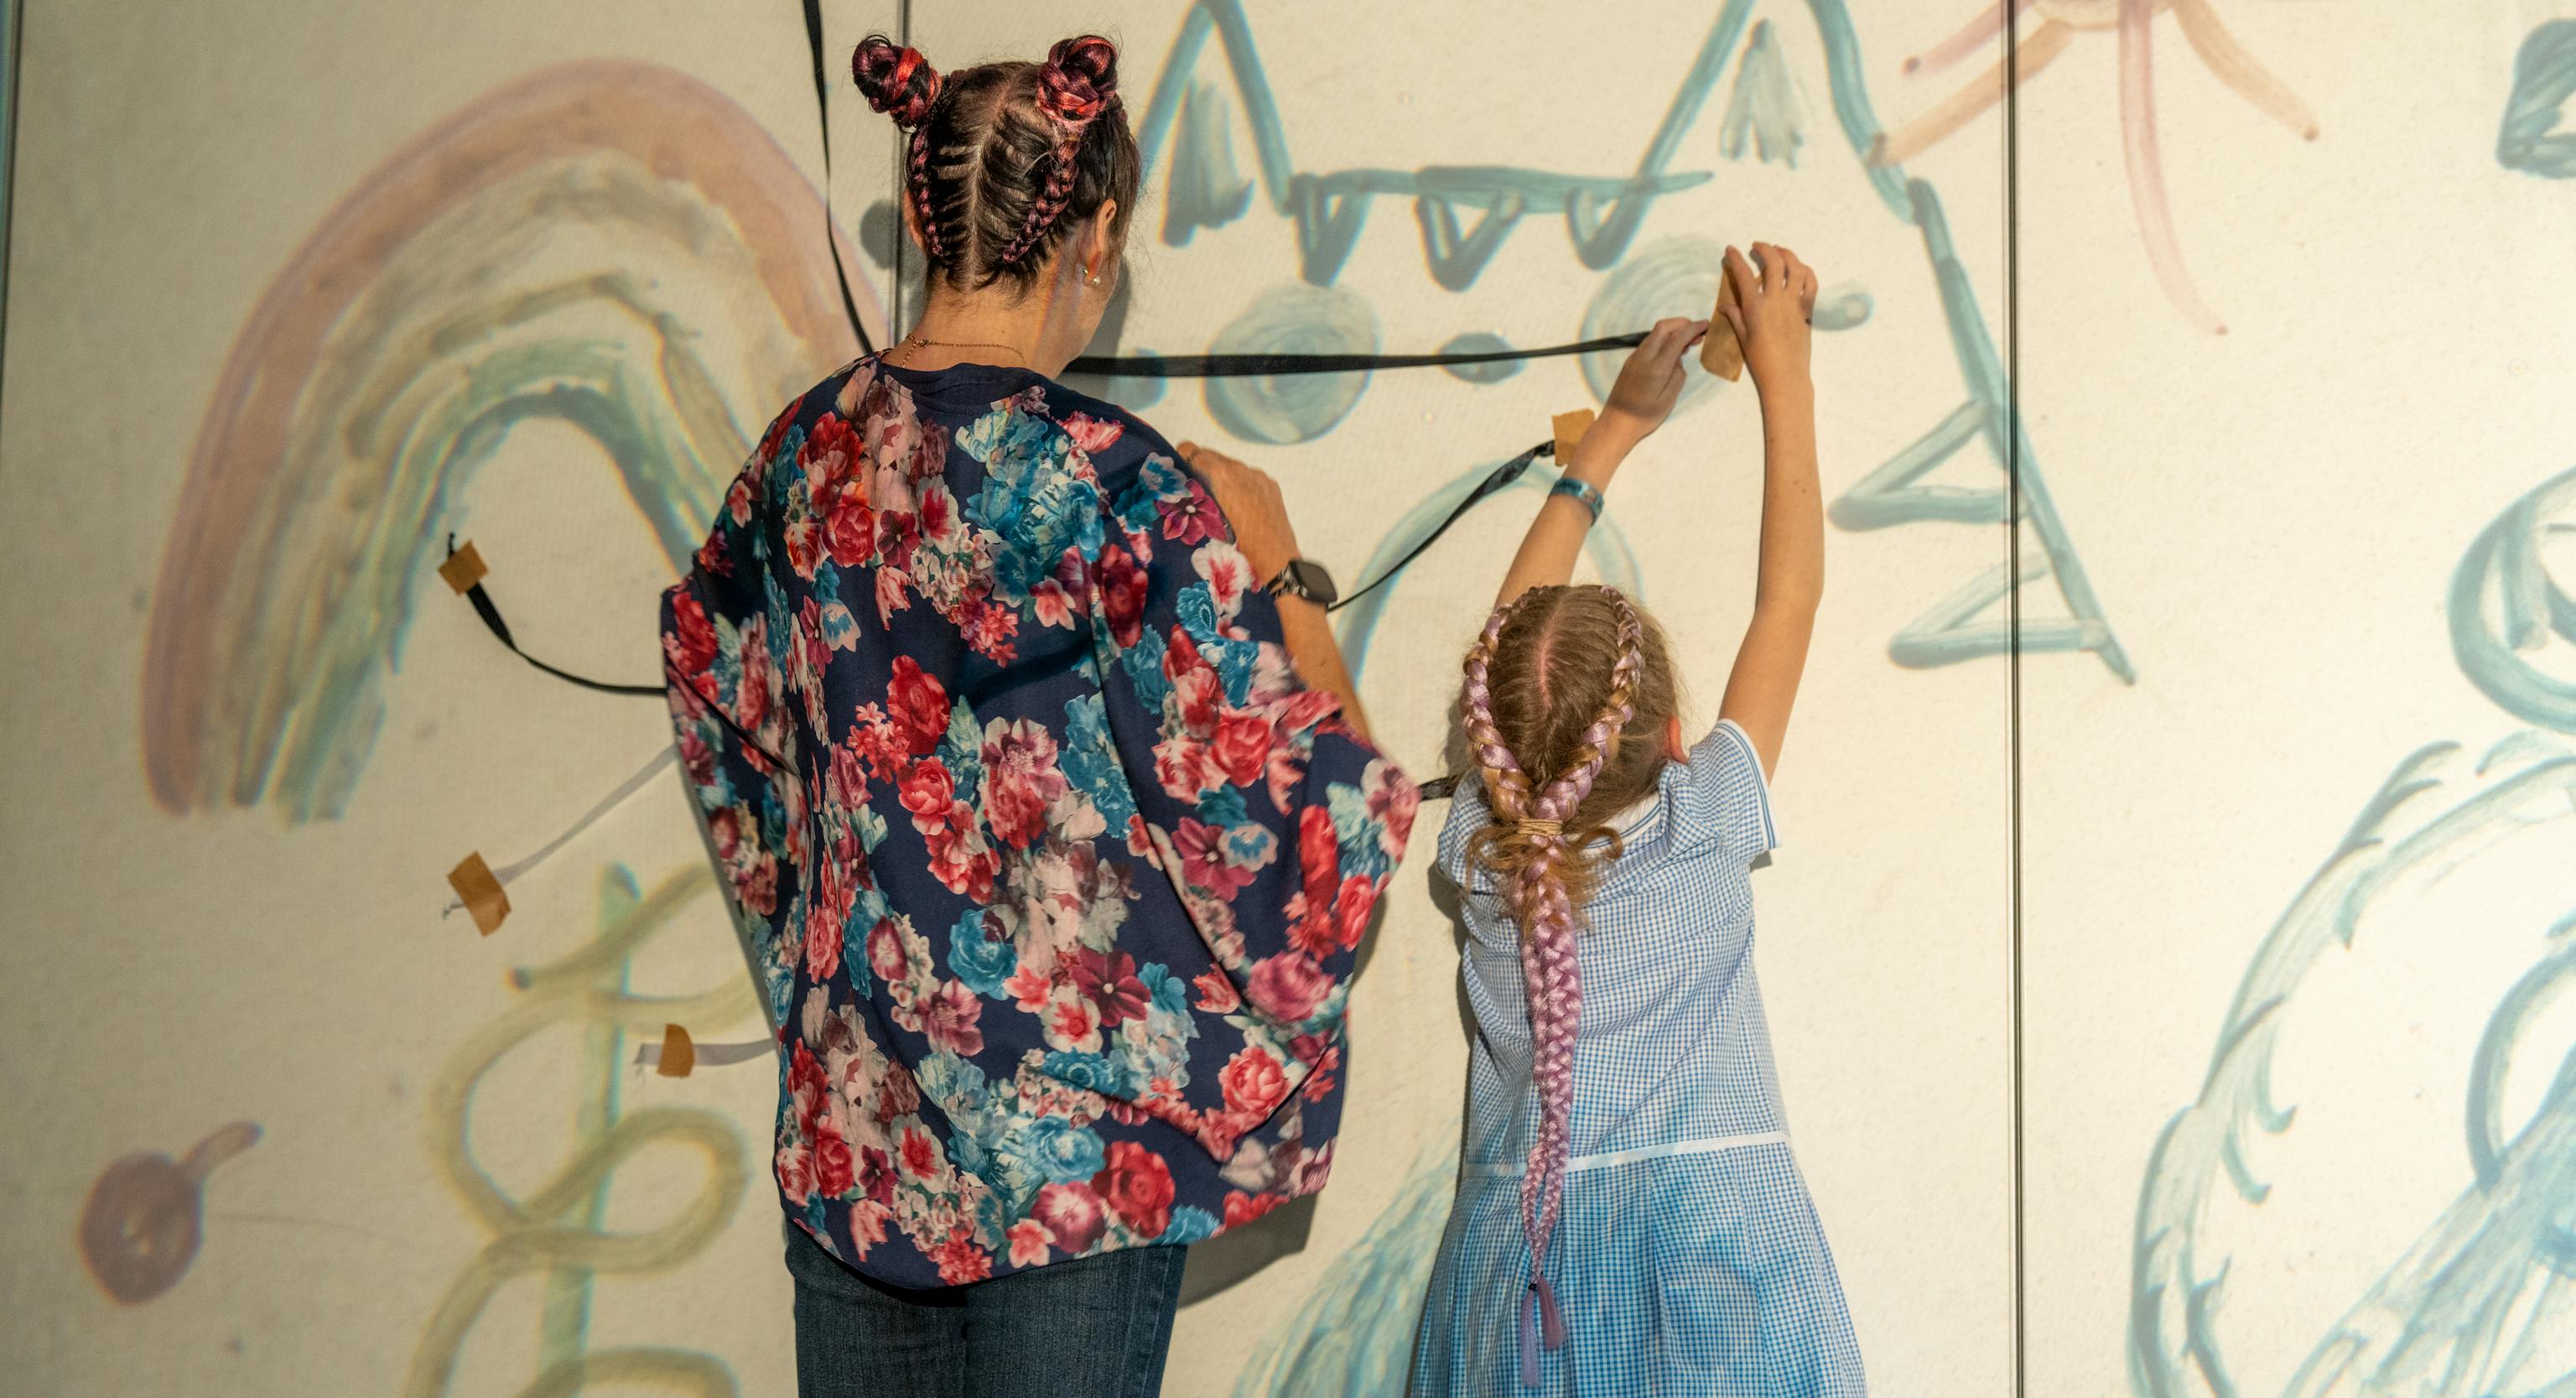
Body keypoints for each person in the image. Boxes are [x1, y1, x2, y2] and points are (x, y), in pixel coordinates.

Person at [656, 33, 1416, 1398]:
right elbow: (1312, 850)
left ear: (932, 212)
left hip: (859, 1147)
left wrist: (820, 958)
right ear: (1098, 230)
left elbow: (715, 669)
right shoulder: (1122, 485)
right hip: (1068, 1171)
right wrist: (1283, 569)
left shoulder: (798, 462)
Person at [1409, 242, 1863, 1395]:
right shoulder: (1702, 820)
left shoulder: (1487, 853)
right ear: (1674, 740)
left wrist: (1608, 437)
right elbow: (1790, 598)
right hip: (1721, 1267)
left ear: (1489, 742)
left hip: (1524, 1285)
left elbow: (1519, 661)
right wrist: (1785, 376)